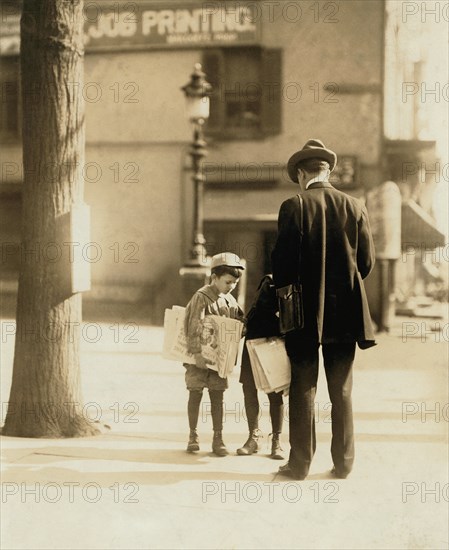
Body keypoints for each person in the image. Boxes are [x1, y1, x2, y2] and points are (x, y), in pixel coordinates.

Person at [271, 139, 376, 480]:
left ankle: (300, 464)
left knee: (303, 386)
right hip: (345, 311)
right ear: (328, 170)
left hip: (302, 312)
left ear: (302, 173)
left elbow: (282, 267)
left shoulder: (294, 205)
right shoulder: (355, 206)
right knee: (341, 388)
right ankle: (344, 463)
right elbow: (366, 263)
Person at [183, 252, 245, 456]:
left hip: (219, 361)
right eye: (228, 282)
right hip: (199, 359)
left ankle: (218, 438)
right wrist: (197, 354)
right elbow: (193, 326)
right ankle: (193, 435)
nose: (231, 287)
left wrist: (242, 329)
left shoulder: (230, 301)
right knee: (196, 394)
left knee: (218, 397)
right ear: (214, 277)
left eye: (234, 283)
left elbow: (239, 322)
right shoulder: (202, 297)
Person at [237, 274, 285, 460]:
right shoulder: (269, 281)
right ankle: (253, 436)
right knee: (249, 387)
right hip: (255, 338)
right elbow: (257, 310)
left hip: (276, 342)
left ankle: (276, 440)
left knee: (276, 390)